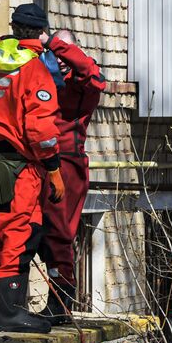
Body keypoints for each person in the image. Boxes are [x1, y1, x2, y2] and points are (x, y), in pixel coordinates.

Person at [0, 2, 65, 333]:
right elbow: (41, 129)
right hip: (22, 167)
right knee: (20, 234)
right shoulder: (35, 70)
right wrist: (53, 170)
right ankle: (10, 313)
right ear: (39, 33)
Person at [34, 26, 108, 324]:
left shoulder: (82, 83)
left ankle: (61, 301)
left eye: (64, 51)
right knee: (33, 232)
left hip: (67, 165)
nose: (59, 58)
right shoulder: (44, 75)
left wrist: (53, 43)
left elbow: (94, 76)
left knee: (59, 234)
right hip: (38, 163)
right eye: (54, 52)